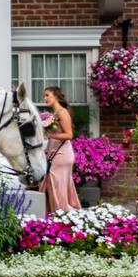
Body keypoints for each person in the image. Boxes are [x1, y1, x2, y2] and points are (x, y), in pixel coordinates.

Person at [39, 86, 81, 214]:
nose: (44, 98)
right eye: (44, 96)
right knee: (51, 185)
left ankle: (62, 215)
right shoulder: (53, 115)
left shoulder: (62, 113)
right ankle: (52, 215)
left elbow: (69, 135)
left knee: (56, 186)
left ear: (56, 96)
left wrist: (50, 135)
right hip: (54, 154)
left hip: (62, 154)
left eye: (47, 95)